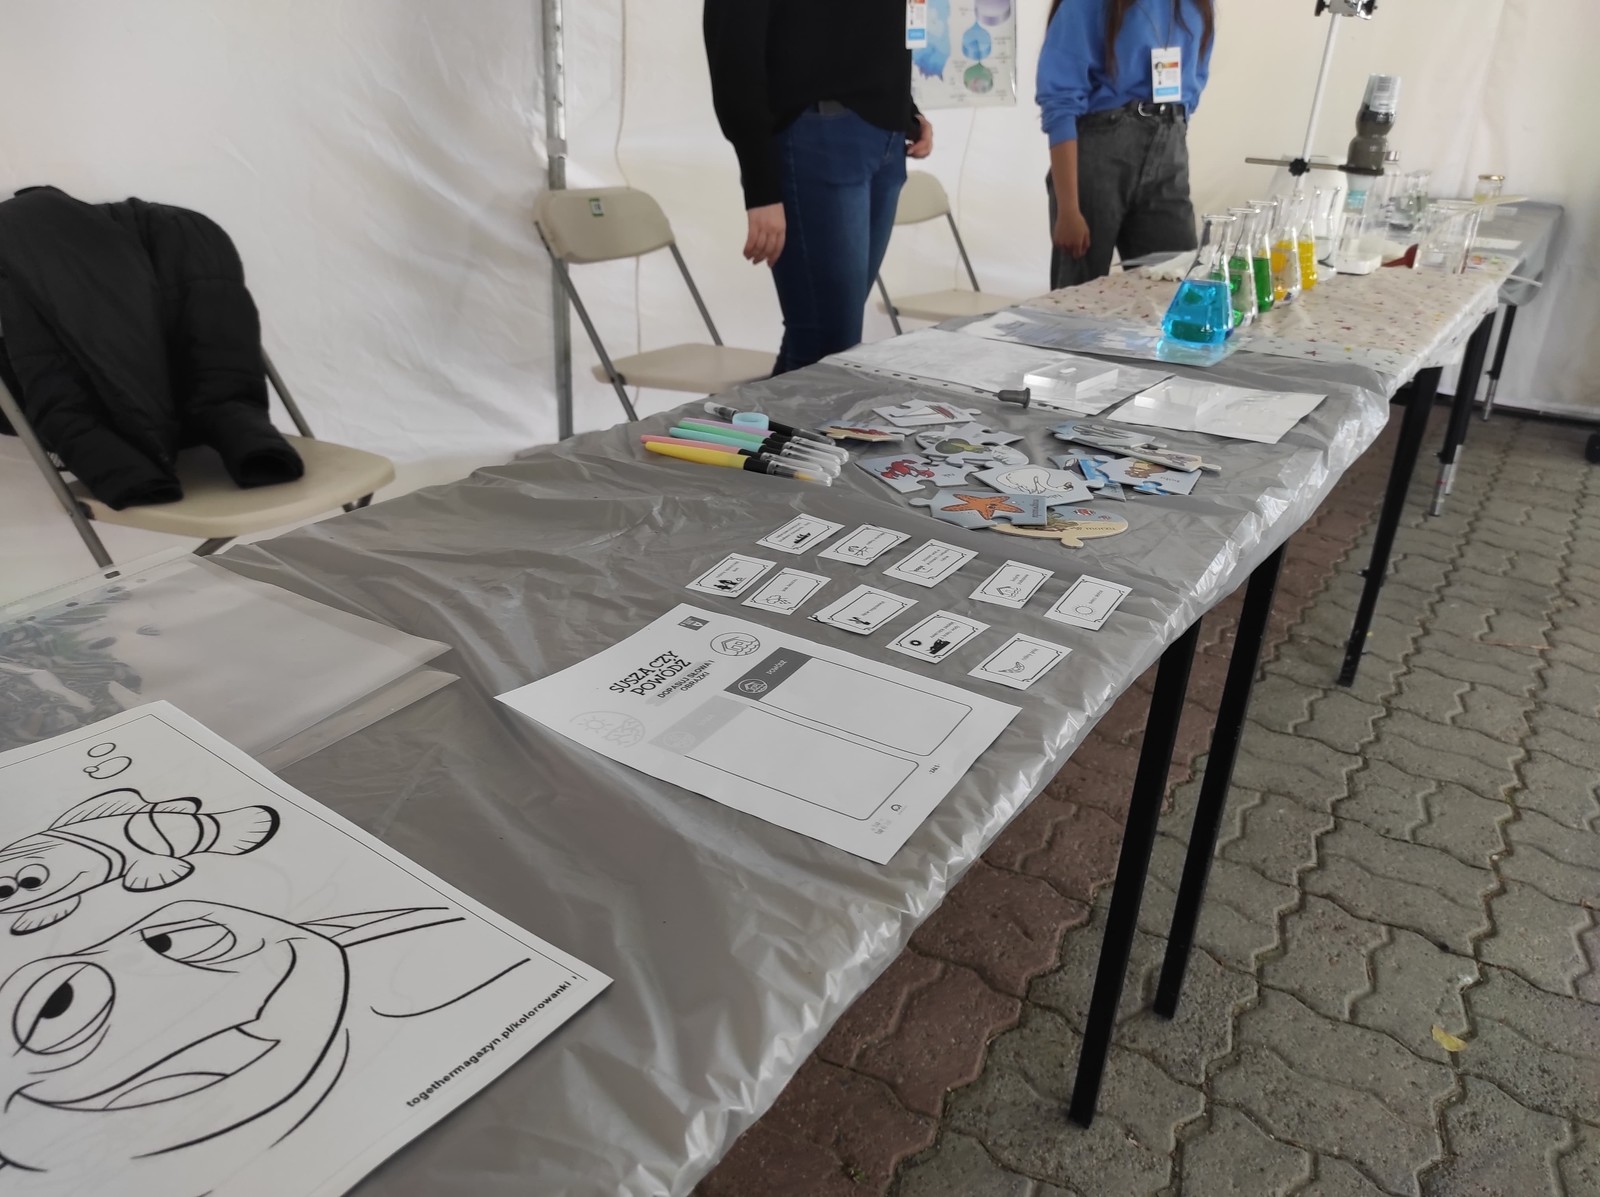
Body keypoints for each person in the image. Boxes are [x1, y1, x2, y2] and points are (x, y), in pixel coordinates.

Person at [703, 2, 933, 374]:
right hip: (819, 137)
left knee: (822, 340)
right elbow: (733, 49)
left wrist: (906, 111)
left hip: (884, 136)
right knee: (829, 348)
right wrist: (761, 188)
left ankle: (771, 413)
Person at [1038, 0, 1215, 289]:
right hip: (1101, 151)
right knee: (1079, 293)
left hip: (1169, 144)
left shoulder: (1198, 4)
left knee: (1176, 283)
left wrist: (1171, 130)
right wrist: (1069, 208)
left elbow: (1195, 78)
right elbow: (1060, 98)